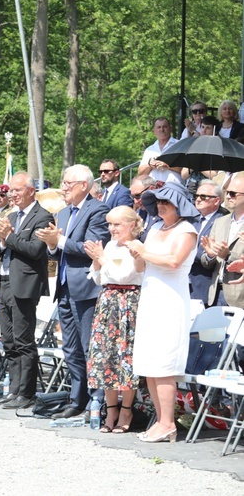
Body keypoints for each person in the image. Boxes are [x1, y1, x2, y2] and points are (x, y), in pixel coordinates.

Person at [126, 181, 199, 443]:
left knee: (165, 365)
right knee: (150, 364)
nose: (160, 206)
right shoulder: (156, 226)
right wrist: (136, 252)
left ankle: (169, 422)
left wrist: (144, 251)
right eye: (157, 201)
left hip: (171, 300)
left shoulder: (187, 230)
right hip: (151, 296)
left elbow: (174, 261)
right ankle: (160, 420)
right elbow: (142, 264)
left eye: (166, 202)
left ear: (179, 205)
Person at [35, 164, 110, 418]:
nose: (63, 187)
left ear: (83, 186)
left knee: (89, 347)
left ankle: (96, 402)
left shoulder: (98, 210)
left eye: (68, 183)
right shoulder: (64, 213)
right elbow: (57, 251)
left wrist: (60, 241)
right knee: (70, 348)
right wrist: (52, 246)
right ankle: (77, 399)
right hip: (65, 286)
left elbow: (91, 247)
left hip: (86, 288)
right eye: (63, 182)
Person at [0, 172, 53, 409]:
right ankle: (14, 389)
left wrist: (9, 236)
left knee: (23, 339)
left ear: (30, 191)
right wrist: (2, 240)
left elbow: (36, 250)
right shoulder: (12, 215)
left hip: (24, 284)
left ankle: (26, 392)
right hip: (4, 280)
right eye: (10, 191)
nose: (12, 195)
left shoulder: (43, 216)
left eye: (17, 190)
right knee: (8, 339)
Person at [84, 206, 144, 433]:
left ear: (131, 225)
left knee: (125, 358)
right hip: (108, 302)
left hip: (127, 302)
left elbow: (124, 275)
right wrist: (98, 261)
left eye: (117, 224)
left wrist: (102, 259)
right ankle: (111, 411)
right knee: (106, 358)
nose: (112, 229)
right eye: (110, 224)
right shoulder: (109, 246)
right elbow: (99, 278)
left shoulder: (136, 247)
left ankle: (126, 409)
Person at [201, 173, 244, 308]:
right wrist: (210, 255)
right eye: (226, 192)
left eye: (233, 193)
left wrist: (228, 255)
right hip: (215, 294)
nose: (228, 197)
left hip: (239, 296)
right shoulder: (219, 222)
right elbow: (206, 262)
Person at [190, 181, 226, 305]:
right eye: (196, 196)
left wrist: (186, 252)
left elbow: (213, 252)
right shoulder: (192, 219)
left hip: (206, 282)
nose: (198, 199)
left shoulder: (223, 220)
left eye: (203, 197)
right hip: (187, 281)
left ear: (216, 201)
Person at [137, 117, 182, 186]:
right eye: (159, 127)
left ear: (170, 128)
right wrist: (149, 165)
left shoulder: (180, 145)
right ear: (154, 131)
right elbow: (140, 173)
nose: (162, 129)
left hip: (173, 188)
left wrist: (168, 165)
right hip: (153, 189)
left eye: (165, 127)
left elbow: (186, 170)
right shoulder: (149, 150)